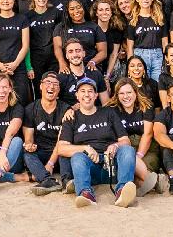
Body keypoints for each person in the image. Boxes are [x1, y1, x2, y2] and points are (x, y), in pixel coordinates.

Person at [54, 77, 139, 208]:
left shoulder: (108, 113)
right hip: (89, 168)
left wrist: (115, 145)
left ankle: (122, 191)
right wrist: (85, 148)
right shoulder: (71, 118)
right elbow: (61, 148)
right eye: (82, 91)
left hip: (111, 166)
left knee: (128, 150)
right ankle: (86, 193)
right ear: (77, 95)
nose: (87, 95)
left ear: (96, 95)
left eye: (90, 91)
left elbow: (125, 140)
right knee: (77, 156)